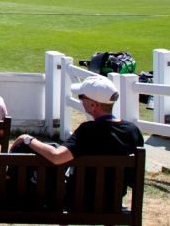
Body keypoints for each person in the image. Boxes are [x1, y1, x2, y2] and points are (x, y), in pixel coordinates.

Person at [14, 75, 144, 205]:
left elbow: (57, 157)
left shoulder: (88, 131)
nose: (80, 101)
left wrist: (27, 139)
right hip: (113, 203)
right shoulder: (132, 131)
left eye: (81, 97)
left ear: (94, 104)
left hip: (80, 202)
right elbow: (134, 178)